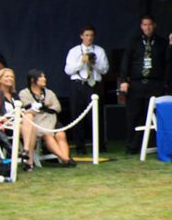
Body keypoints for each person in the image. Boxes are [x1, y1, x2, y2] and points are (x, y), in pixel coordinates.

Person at [119, 15, 171, 155]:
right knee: (134, 115)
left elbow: (167, 64)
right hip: (137, 83)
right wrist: (124, 80)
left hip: (155, 83)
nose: (147, 27)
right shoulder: (133, 42)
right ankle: (132, 146)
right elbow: (126, 61)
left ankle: (153, 145)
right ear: (141, 26)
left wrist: (165, 83)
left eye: (149, 24)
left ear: (154, 25)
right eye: (144, 25)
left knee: (153, 115)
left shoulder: (162, 43)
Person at [62, 24, 107, 154]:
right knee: (78, 115)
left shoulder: (99, 51)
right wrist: (81, 62)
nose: (89, 38)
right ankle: (80, 147)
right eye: (86, 35)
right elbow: (68, 70)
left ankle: (99, 145)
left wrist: (94, 63)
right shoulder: (74, 51)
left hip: (94, 85)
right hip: (78, 84)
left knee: (96, 116)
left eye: (91, 35)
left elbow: (105, 69)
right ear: (81, 36)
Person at [16, 69, 71, 168]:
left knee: (61, 135)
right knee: (48, 136)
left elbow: (57, 107)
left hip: (52, 119)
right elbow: (29, 107)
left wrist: (40, 107)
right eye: (41, 77)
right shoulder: (24, 93)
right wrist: (46, 105)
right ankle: (65, 159)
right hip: (37, 122)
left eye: (44, 77)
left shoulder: (49, 92)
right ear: (33, 80)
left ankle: (66, 158)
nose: (44, 79)